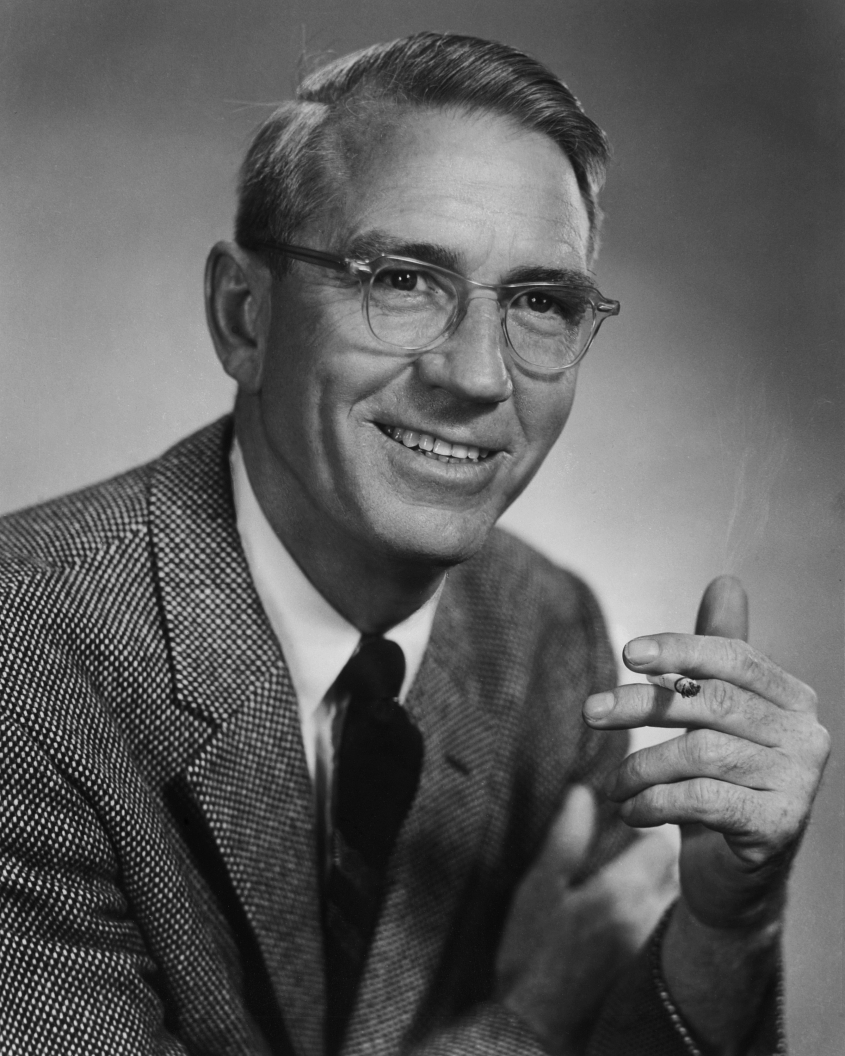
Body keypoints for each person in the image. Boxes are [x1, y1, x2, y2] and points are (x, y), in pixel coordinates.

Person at [0, 31, 829, 1056]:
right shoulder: (23, 652)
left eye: (537, 302)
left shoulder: (543, 629)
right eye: (399, 279)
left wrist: (722, 927)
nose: (478, 377)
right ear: (242, 317)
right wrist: (528, 1021)